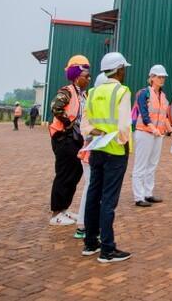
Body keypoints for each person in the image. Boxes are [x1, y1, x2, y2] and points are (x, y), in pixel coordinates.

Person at [81, 52, 133, 263]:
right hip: (116, 152)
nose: (125, 72)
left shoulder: (92, 92)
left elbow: (85, 125)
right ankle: (107, 249)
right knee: (109, 200)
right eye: (124, 68)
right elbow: (124, 126)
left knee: (93, 195)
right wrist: (121, 142)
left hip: (97, 149)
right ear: (118, 70)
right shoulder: (122, 91)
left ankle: (90, 242)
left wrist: (98, 133)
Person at [48, 55, 90, 227]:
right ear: (76, 76)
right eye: (86, 76)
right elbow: (55, 107)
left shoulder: (84, 95)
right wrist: (68, 123)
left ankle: (64, 209)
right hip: (64, 139)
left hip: (76, 140)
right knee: (64, 174)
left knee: (74, 174)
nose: (89, 79)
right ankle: (56, 213)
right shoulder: (67, 91)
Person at [73, 72, 108, 239]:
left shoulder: (93, 101)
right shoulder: (95, 104)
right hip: (92, 151)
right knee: (91, 189)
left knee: (93, 189)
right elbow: (86, 130)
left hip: (94, 151)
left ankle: (87, 224)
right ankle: (83, 225)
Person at [132, 64, 172, 207]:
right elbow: (144, 113)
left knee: (152, 165)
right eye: (159, 77)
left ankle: (148, 193)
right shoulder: (144, 93)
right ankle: (138, 196)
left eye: (163, 77)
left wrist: (170, 132)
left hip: (157, 134)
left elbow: (165, 116)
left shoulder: (163, 96)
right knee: (141, 165)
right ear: (152, 78)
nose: (162, 79)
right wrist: (152, 127)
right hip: (145, 132)